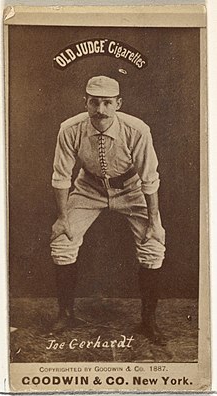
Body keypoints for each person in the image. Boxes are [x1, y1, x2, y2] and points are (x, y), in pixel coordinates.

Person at [50, 75, 166, 344]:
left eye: (107, 103)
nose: (100, 110)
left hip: (131, 188)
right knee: (62, 242)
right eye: (94, 102)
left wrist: (153, 221)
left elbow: (149, 178)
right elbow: (61, 175)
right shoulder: (70, 128)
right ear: (86, 103)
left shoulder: (137, 130)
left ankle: (149, 321)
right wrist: (62, 218)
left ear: (118, 103)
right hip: (88, 188)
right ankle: (65, 314)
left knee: (153, 247)